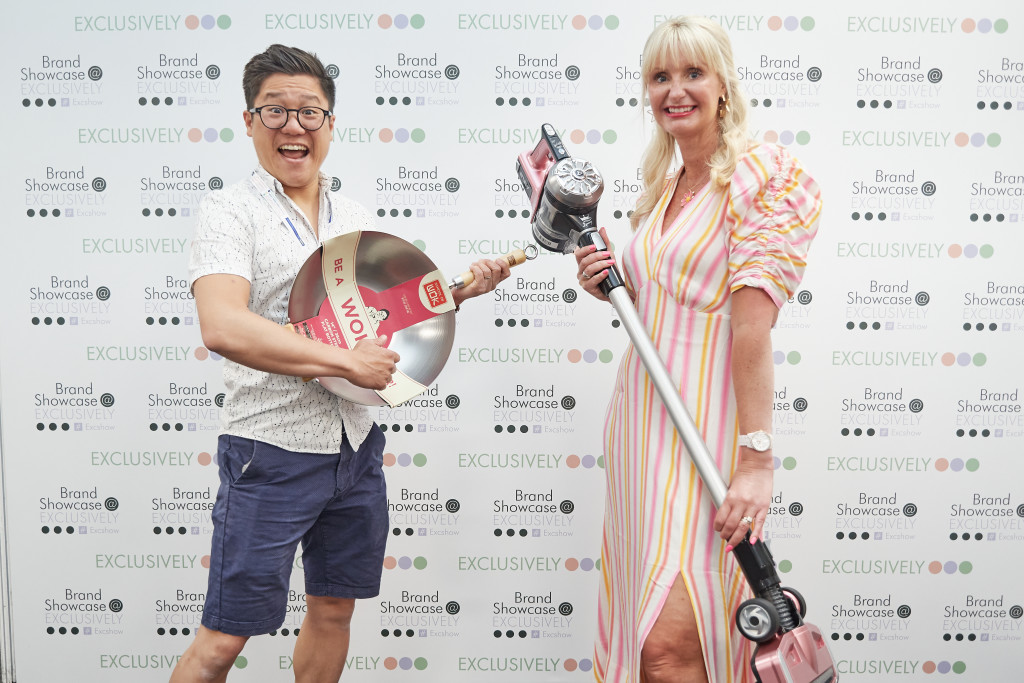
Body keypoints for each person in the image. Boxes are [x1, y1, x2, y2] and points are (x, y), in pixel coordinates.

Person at [171, 44, 509, 683]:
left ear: (330, 124)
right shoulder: (229, 211)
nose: (293, 127)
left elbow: (376, 320)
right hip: (269, 453)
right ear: (249, 122)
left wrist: (457, 289)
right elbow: (222, 325)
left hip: (355, 450)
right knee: (222, 639)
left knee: (332, 611)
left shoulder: (353, 218)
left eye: (309, 113)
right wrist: (345, 362)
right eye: (275, 112)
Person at [574, 16, 822, 683]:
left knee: (672, 648)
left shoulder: (763, 176)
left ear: (722, 85)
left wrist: (756, 460)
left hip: (707, 434)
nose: (674, 90)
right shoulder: (664, 186)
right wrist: (611, 287)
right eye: (660, 76)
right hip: (640, 431)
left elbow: (750, 329)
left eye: (692, 73)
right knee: (648, 646)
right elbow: (661, 305)